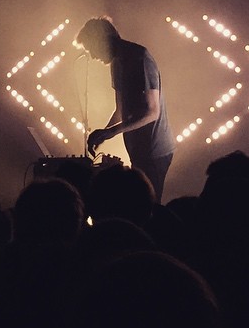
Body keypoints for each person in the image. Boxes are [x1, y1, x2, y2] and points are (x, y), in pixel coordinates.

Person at [75, 16, 175, 203]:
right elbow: (120, 110)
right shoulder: (117, 64)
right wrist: (103, 133)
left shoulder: (140, 58)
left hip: (154, 149)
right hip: (137, 147)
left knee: (148, 205)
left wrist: (112, 132)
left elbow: (152, 112)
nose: (94, 57)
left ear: (102, 39)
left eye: (92, 48)